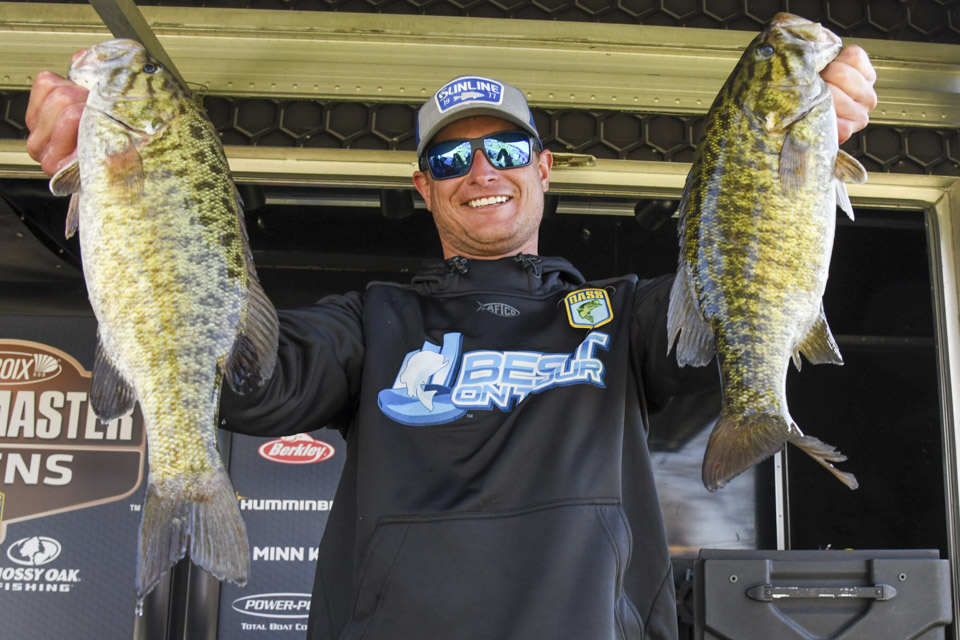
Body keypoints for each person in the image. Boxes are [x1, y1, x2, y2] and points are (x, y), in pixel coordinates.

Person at [25, 43, 876, 640]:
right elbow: (250, 382)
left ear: (542, 169)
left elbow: (730, 316)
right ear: (422, 189)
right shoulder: (372, 321)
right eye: (449, 160)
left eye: (504, 147)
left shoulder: (619, 318)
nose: (481, 172)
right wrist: (124, 208)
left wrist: (789, 161)